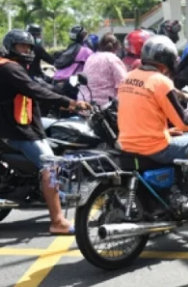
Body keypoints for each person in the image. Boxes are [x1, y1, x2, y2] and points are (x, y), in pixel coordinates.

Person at [0, 30, 91, 235]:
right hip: (16, 130)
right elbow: (33, 89)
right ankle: (57, 220)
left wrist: (60, 94)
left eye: (29, 47)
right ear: (10, 47)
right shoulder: (9, 68)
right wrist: (70, 102)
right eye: (22, 46)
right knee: (52, 165)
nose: (27, 50)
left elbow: (36, 86)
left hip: (16, 123)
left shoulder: (11, 67)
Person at [117, 35, 188, 166]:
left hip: (127, 144)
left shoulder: (128, 77)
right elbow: (185, 122)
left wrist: (166, 131)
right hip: (155, 149)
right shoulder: (161, 81)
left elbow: (140, 114)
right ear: (167, 59)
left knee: (180, 134)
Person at [79, 33, 127, 107]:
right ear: (116, 48)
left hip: (84, 104)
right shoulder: (112, 59)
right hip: (105, 109)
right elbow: (124, 83)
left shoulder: (91, 57)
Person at [52, 26, 94, 98]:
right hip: (70, 80)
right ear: (83, 35)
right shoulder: (86, 51)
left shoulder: (69, 48)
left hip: (55, 79)